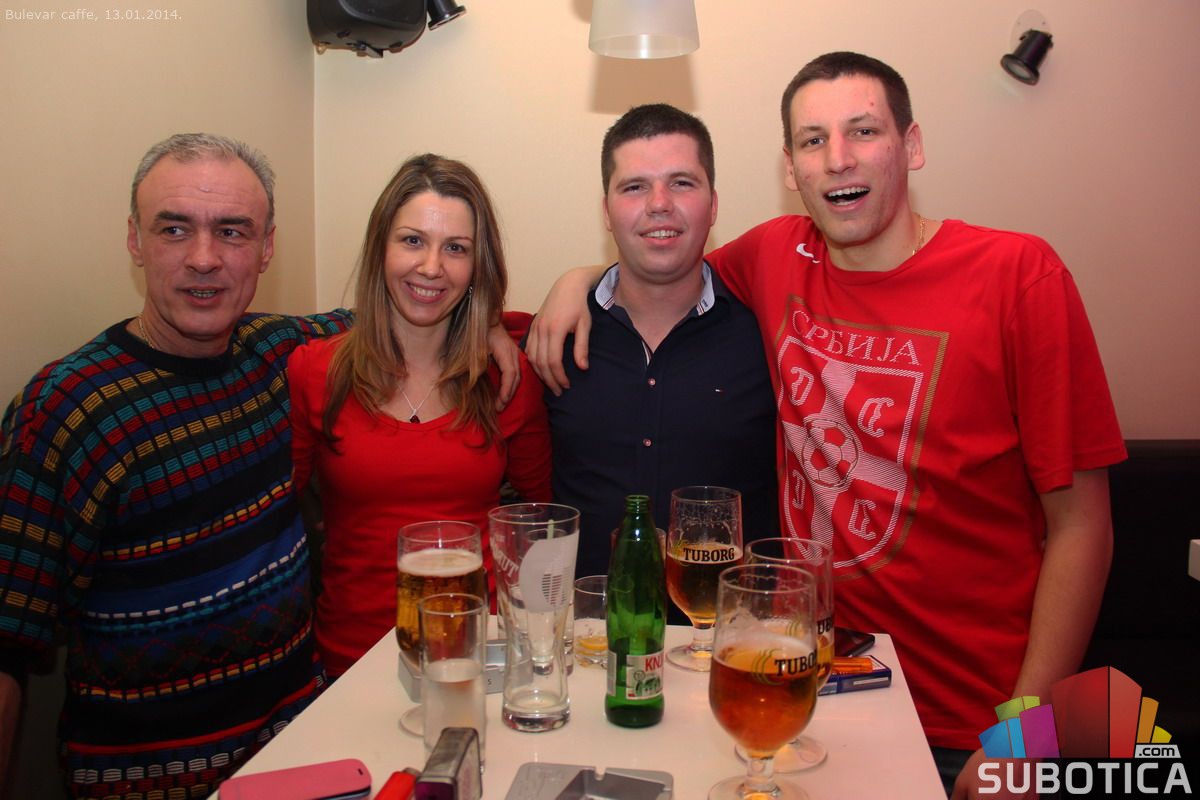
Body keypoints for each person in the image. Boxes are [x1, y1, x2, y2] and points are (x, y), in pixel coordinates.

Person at [526, 52, 1125, 798]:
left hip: (971, 719)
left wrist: (1025, 738)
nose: (838, 158)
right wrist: (574, 282)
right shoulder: (777, 256)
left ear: (911, 145)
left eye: (863, 131)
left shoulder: (1017, 275)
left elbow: (1083, 528)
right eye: (814, 140)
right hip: (805, 687)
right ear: (791, 166)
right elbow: (659, 259)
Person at [0, 133, 352, 799]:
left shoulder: (281, 352)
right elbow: (6, 642)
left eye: (232, 231)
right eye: (174, 229)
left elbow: (409, 314)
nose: (204, 258)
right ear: (135, 240)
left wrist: (517, 319)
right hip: (149, 785)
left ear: (266, 248)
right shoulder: (68, 409)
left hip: (299, 759)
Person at [288, 153, 551, 678]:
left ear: (477, 267)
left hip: (479, 658)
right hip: (349, 664)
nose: (431, 267)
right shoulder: (316, 371)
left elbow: (546, 519)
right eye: (412, 240)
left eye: (456, 248)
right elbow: (279, 520)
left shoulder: (504, 377)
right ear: (380, 249)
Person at [539, 104, 777, 581]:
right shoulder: (554, 339)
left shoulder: (769, 337)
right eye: (634, 187)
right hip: (587, 624)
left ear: (713, 205)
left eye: (682, 183)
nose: (659, 204)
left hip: (732, 623)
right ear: (606, 212)